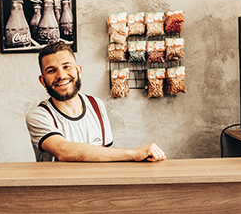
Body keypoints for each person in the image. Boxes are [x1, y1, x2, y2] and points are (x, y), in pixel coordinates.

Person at [25, 42, 166, 162]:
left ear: (78, 71)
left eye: (66, 66)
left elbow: (104, 155)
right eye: (51, 70)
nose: (61, 76)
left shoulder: (96, 105)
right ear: (43, 80)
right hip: (59, 192)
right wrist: (134, 154)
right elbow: (63, 151)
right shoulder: (39, 116)